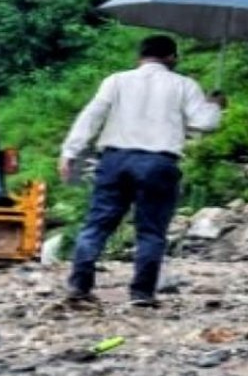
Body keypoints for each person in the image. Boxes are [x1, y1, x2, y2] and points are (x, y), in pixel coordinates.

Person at [59, 35, 224, 308]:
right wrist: (216, 105)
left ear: (140, 57)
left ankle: (79, 285)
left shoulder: (116, 80)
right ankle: (141, 294)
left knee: (97, 225)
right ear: (172, 57)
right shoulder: (184, 85)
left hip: (115, 160)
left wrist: (70, 152)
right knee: (151, 231)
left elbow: (92, 115)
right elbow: (205, 123)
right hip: (159, 163)